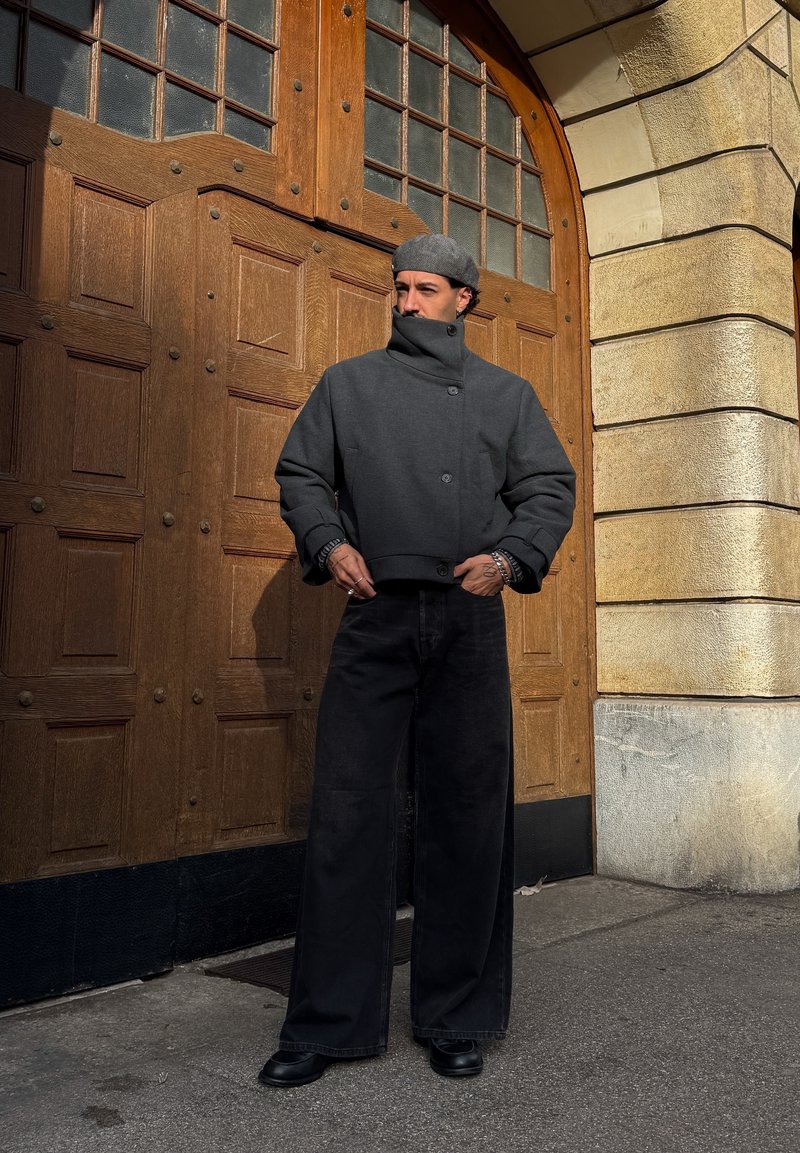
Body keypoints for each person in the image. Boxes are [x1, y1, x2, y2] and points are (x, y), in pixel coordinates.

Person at [259, 234, 575, 1087]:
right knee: (347, 814)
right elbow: (301, 475)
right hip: (376, 615)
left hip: (469, 620)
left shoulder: (508, 396)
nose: (406, 303)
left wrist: (509, 557)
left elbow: (549, 488)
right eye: (399, 288)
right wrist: (327, 544)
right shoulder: (347, 385)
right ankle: (326, 1024)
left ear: (463, 299)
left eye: (425, 289)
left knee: (468, 819)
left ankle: (456, 1016)